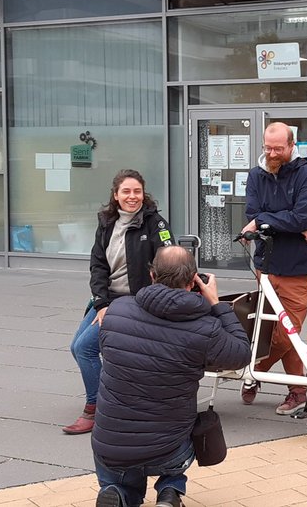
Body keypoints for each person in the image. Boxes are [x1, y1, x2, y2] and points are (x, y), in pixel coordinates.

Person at [91, 246, 251, 507]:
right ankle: (170, 491)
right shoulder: (206, 328)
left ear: (152, 275)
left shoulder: (117, 311)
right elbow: (241, 354)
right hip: (168, 449)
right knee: (182, 435)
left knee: (120, 472)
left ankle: (118, 492)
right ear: (194, 280)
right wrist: (217, 304)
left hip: (111, 445)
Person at [63, 169, 173, 435]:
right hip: (108, 299)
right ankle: (111, 401)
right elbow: (98, 265)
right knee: (76, 348)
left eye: (137, 191)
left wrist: (151, 301)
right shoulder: (107, 222)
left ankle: (96, 407)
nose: (132, 197)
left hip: (135, 301)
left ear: (143, 194)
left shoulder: (155, 223)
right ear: (115, 195)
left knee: (86, 348)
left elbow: (168, 264)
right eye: (126, 191)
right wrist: (101, 304)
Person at [240, 121, 307, 416]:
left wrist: (267, 220)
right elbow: (252, 213)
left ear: (291, 146)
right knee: (266, 329)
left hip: (297, 268)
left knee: (287, 334)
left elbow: (303, 216)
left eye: (278, 148)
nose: (272, 153)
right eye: (268, 147)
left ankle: (252, 371)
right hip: (265, 265)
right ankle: (297, 391)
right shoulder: (255, 176)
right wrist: (279, 220)